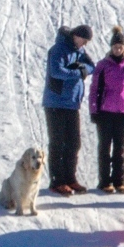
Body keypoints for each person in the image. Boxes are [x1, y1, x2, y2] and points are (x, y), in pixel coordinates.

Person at [42, 24, 95, 195]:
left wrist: (82, 68)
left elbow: (91, 66)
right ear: (76, 36)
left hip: (72, 103)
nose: (84, 44)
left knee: (73, 143)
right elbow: (56, 72)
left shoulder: (78, 51)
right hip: (56, 103)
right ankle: (57, 181)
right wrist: (77, 72)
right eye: (84, 40)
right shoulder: (58, 49)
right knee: (57, 143)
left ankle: (70, 178)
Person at [88, 26, 124, 193]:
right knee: (105, 147)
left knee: (120, 148)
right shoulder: (103, 66)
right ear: (111, 47)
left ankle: (119, 181)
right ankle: (105, 181)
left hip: (122, 113)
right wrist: (94, 110)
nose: (118, 49)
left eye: (120, 47)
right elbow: (94, 89)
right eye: (115, 47)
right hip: (105, 112)